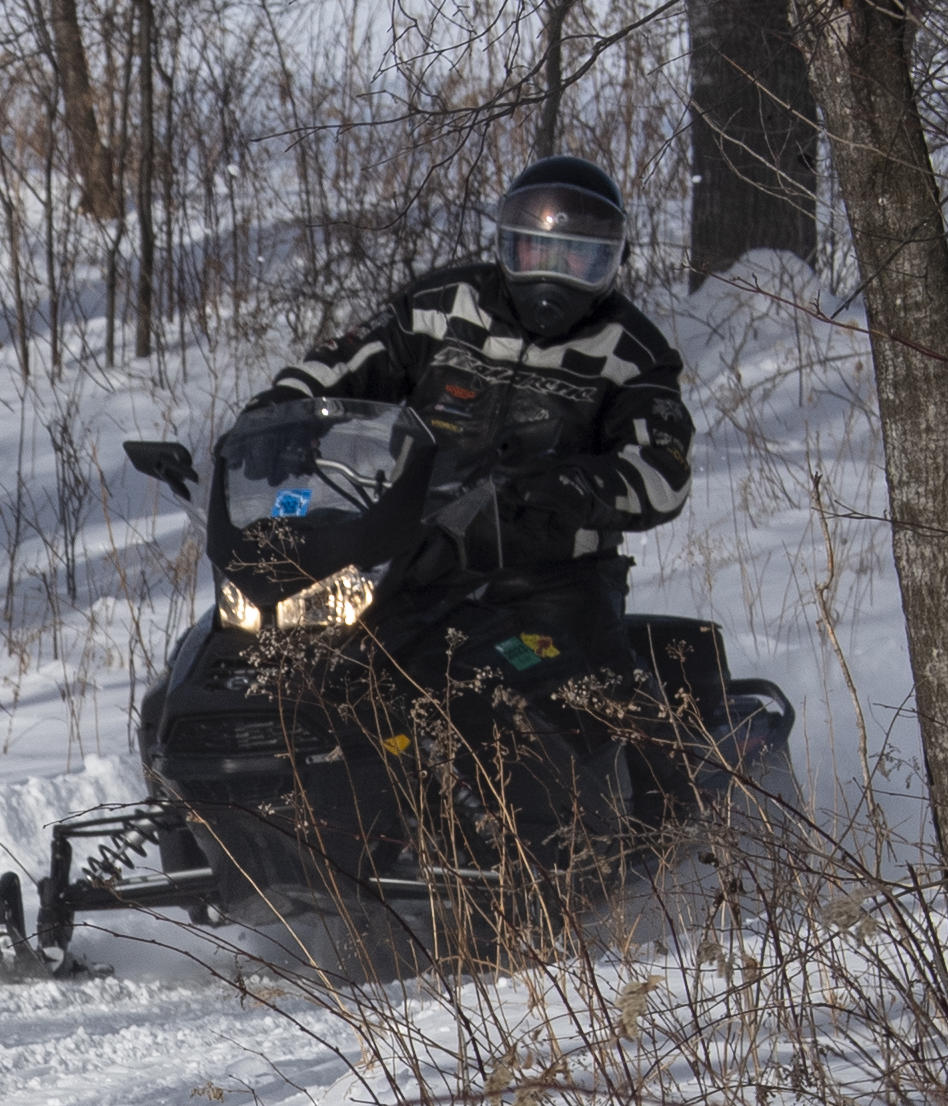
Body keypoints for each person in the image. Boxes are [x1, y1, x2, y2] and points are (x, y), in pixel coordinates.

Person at [262, 155, 693, 873]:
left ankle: (661, 846)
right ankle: (293, 826)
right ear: (507, 245)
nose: (554, 272)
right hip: (418, 551)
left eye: (579, 257)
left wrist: (569, 488)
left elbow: (662, 472)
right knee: (310, 659)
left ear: (610, 262)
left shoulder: (632, 351)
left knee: (603, 698)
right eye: (538, 249)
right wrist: (283, 413)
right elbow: (349, 362)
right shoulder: (443, 305)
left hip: (555, 573)